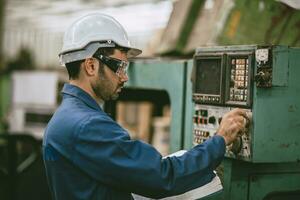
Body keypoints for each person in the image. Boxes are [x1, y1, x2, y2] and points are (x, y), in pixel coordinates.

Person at [43, 13, 247, 200]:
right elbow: (162, 176)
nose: (124, 77)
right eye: (120, 66)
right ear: (91, 65)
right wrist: (219, 140)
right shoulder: (87, 125)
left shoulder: (67, 116)